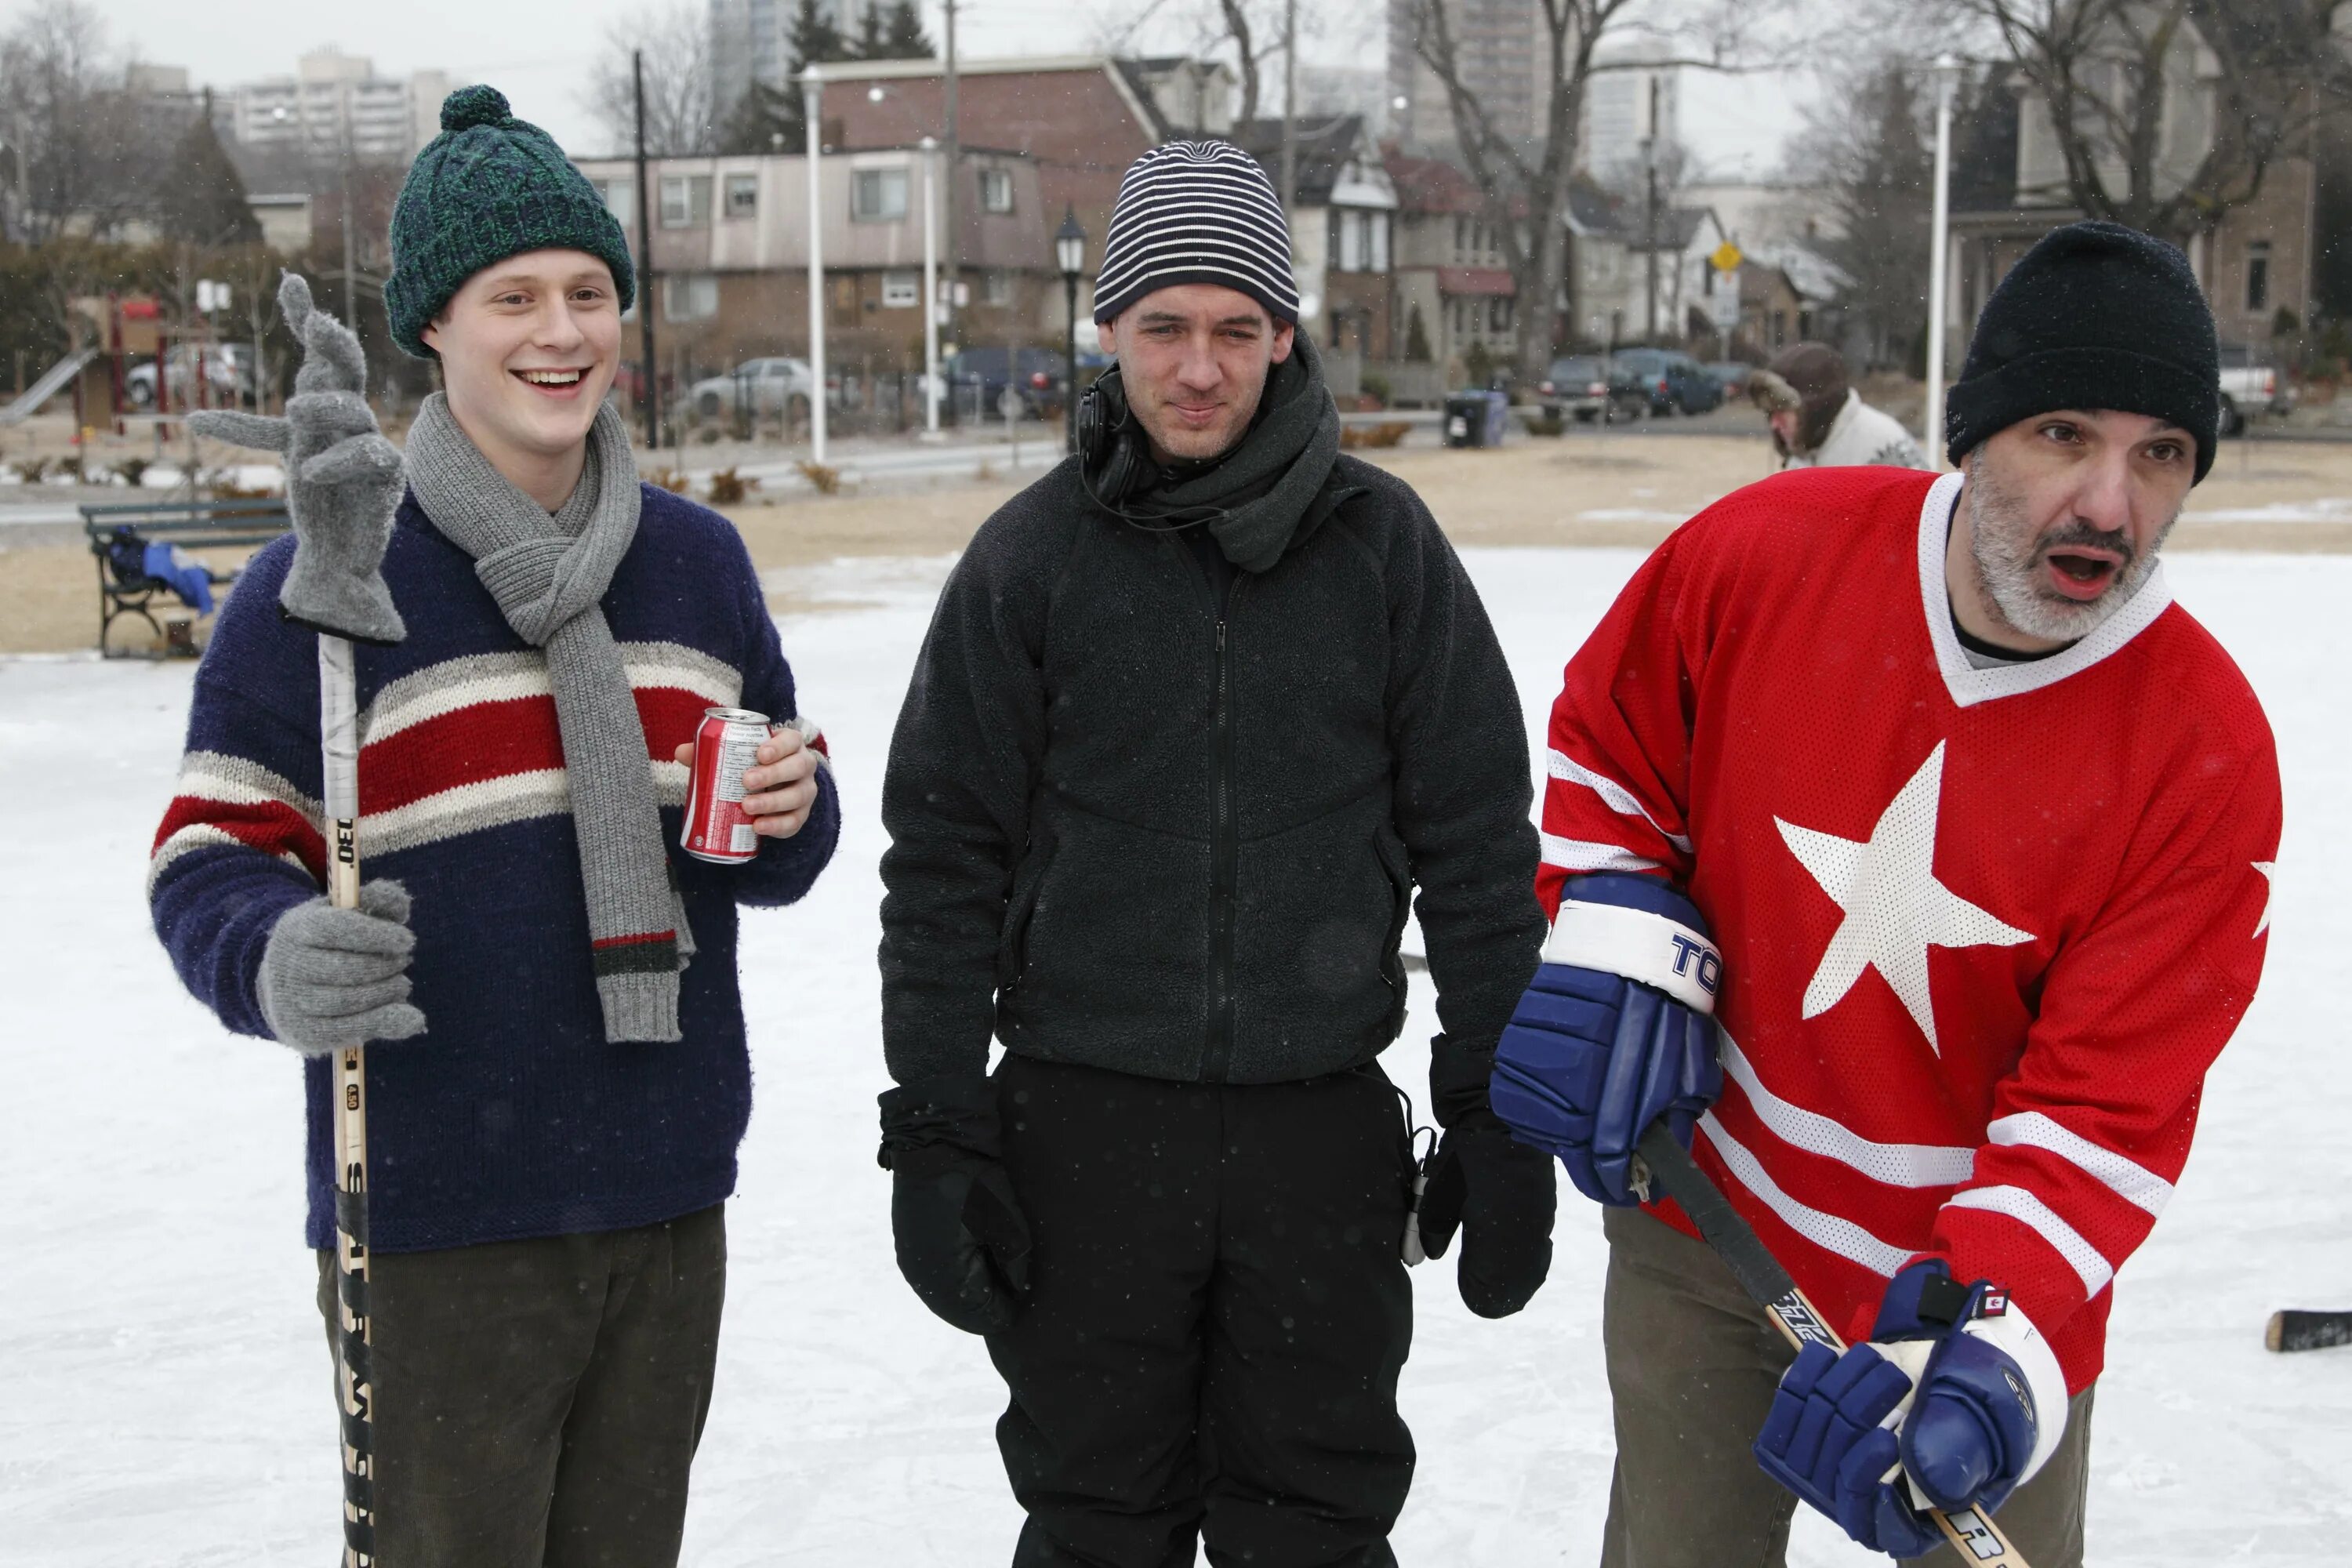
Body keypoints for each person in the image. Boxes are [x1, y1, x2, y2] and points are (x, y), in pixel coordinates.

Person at [1492, 219, 2279, 1567]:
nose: (2110, 504)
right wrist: (1624, 949)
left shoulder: (2205, 750)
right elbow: (1610, 752)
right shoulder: (1762, 554)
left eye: (2160, 455)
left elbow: (2109, 1109)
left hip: (1974, 1294)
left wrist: (1997, 1338)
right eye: (2064, 437)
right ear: (1973, 436)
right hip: (1709, 1223)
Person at [147, 85, 839, 1564]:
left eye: (589, 292)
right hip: (433, 1205)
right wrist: (270, 953)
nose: (561, 331)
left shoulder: (697, 565)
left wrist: (794, 807)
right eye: (513, 295)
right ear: (433, 328)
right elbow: (209, 850)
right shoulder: (326, 583)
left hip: (661, 1190)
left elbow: (770, 826)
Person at [876, 139, 1555, 1568]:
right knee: (1096, 1524)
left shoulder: (1384, 549)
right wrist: (936, 1128)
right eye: (1167, 328)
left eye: (1237, 329)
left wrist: (1494, 1113)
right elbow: (944, 857)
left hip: (1319, 1141)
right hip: (1085, 1138)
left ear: (1285, 337)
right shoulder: (1032, 559)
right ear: (1109, 330)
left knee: (1314, 1526)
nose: (1201, 368)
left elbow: (1481, 851)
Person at [1750, 340, 1932, 470]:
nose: (1774, 423)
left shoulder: (1884, 446)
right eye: (1770, 412)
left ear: (1816, 409)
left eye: (1782, 410)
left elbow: (1927, 518)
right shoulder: (1804, 451)